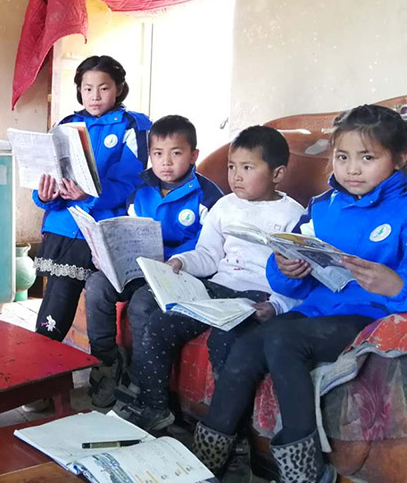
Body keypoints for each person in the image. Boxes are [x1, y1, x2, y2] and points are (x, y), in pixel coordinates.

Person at [191, 105, 407, 483]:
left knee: (281, 339)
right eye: (342, 157)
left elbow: (397, 287)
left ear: (399, 159)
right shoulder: (323, 207)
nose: (352, 169)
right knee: (245, 346)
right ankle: (208, 460)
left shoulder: (403, 209)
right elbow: (290, 278)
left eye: (368, 158)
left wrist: (398, 286)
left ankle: (303, 468)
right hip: (317, 309)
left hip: (370, 314)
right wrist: (285, 268)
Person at [122, 125, 305, 434]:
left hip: (255, 296)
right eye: (232, 167)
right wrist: (181, 262)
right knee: (159, 325)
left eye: (247, 168)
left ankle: (230, 435)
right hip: (215, 288)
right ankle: (155, 407)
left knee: (226, 342)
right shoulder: (225, 205)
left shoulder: (293, 216)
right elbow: (208, 254)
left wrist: (276, 305)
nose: (236, 176)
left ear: (277, 174)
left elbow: (299, 277)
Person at [85, 115, 224, 408]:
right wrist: (107, 253)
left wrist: (173, 260)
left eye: (177, 153)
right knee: (97, 284)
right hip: (139, 266)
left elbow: (209, 248)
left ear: (193, 155)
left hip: (177, 272)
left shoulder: (208, 196)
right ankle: (107, 361)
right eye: (158, 154)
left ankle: (138, 377)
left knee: (141, 304)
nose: (166, 163)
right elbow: (127, 227)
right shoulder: (141, 188)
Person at [32, 56, 151, 344]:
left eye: (104, 88)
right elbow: (48, 173)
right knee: (55, 296)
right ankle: (44, 353)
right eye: (87, 88)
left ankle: (46, 354)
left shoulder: (133, 125)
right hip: (61, 223)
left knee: (61, 296)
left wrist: (90, 194)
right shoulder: (66, 125)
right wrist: (43, 196)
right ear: (79, 90)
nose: (95, 96)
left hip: (97, 226)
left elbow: (131, 179)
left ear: (119, 88)